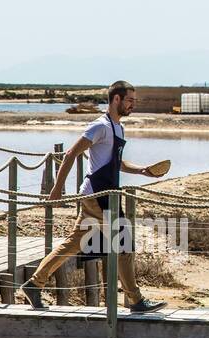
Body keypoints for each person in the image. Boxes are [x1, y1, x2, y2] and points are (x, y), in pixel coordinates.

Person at [20, 81, 167, 313]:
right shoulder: (99, 126)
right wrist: (57, 188)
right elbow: (70, 154)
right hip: (98, 195)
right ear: (116, 99)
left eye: (134, 101)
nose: (133, 105)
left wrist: (141, 170)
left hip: (102, 194)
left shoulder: (118, 128)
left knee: (75, 242)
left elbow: (115, 163)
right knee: (125, 245)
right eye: (130, 100)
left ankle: (34, 284)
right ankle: (136, 301)